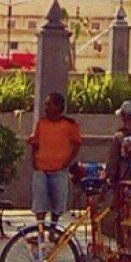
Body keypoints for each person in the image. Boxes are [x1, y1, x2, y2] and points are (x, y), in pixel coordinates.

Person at [28, 93, 82, 230]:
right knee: (40, 203)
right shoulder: (42, 123)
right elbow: (35, 143)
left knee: (58, 204)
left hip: (59, 170)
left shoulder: (69, 125)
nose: (46, 108)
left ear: (58, 107)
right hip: (41, 169)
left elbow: (77, 144)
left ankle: (53, 229)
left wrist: (67, 161)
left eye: (49, 104)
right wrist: (33, 159)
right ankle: (40, 230)